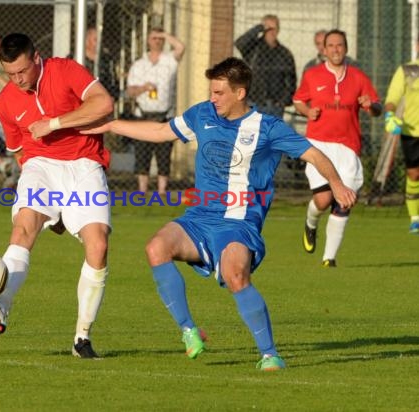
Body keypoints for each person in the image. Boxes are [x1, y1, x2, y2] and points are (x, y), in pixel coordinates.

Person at [83, 57, 357, 370]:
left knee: (236, 275)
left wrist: (335, 184)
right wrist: (109, 125)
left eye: (219, 93)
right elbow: (160, 131)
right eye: (212, 92)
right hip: (198, 218)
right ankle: (189, 331)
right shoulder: (202, 114)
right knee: (155, 248)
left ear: (240, 93)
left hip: (239, 223)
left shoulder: (268, 128)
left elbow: (314, 154)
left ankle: (270, 355)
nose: (212, 99)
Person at [0, 33, 114, 359]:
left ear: (37, 58)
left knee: (98, 246)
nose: (17, 80)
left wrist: (54, 123)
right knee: (23, 229)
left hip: (84, 165)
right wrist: (49, 209)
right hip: (40, 165)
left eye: (23, 72)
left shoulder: (65, 70)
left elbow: (104, 104)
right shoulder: (5, 101)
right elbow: (19, 152)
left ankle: (81, 338)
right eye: (10, 74)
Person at [293, 29, 382, 267]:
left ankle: (329, 259)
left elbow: (377, 108)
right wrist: (307, 111)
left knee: (345, 201)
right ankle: (311, 223)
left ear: (346, 48)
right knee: (323, 200)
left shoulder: (358, 77)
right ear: (324, 49)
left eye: (339, 45)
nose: (335, 49)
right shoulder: (312, 75)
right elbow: (298, 100)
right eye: (330, 45)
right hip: (319, 145)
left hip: (348, 147)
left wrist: (370, 105)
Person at [126, 27, 185, 194]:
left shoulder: (169, 61)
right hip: (143, 114)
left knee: (164, 155)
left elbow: (181, 47)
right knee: (142, 154)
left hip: (164, 114)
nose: (157, 41)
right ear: (147, 41)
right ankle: (142, 190)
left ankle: (161, 192)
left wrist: (166, 34)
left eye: (160, 39)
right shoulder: (139, 64)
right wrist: (143, 88)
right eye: (154, 38)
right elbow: (130, 91)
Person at [384, 38, 419, 234]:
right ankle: (415, 218)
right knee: (414, 174)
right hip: (412, 131)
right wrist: (389, 115)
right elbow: (392, 98)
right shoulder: (407, 70)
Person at [235, 14, 296, 118]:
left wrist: (284, 101)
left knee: (272, 134)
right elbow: (239, 43)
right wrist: (259, 28)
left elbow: (291, 80)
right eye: (268, 28)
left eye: (274, 28)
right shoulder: (253, 49)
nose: (271, 31)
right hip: (253, 102)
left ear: (278, 30)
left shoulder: (284, 53)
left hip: (275, 106)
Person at [81, 27, 119, 100]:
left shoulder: (107, 59)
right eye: (95, 40)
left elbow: (113, 81)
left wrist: (112, 97)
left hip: (102, 99)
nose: (99, 43)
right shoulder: (74, 58)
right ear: (86, 41)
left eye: (100, 40)